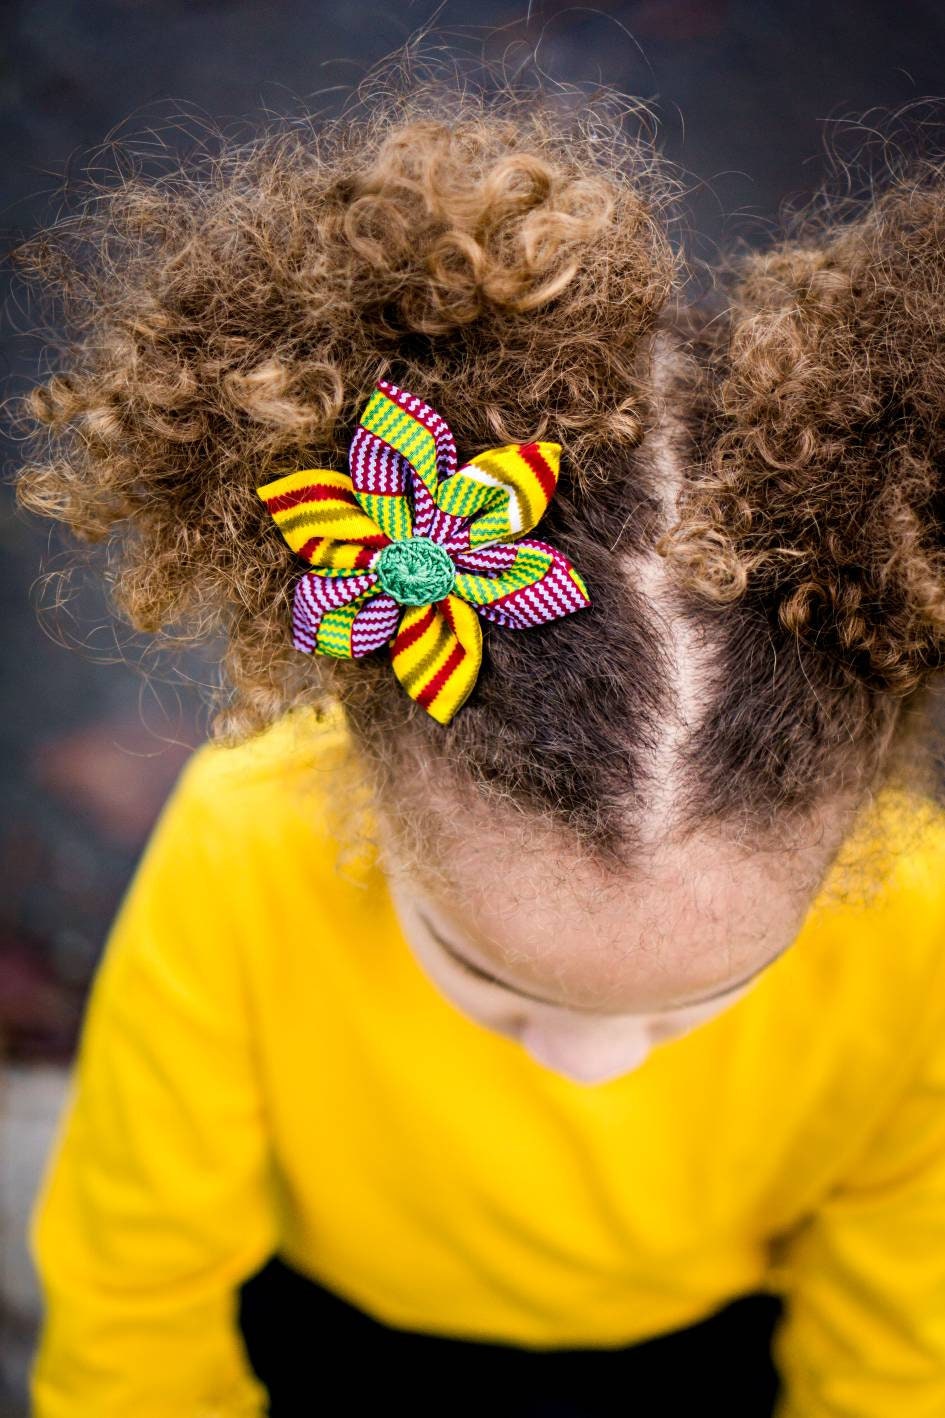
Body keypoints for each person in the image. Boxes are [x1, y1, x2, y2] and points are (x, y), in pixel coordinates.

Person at [13, 65, 945, 1418]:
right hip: (327, 1330)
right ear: (364, 774)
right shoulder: (239, 845)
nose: (592, 1065)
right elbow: (132, 1282)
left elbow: (905, 1304)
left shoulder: (914, 912)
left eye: (701, 998)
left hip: (717, 1344)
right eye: (490, 974)